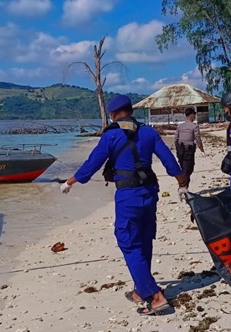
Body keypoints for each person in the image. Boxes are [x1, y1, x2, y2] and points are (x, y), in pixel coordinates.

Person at [60, 94, 188, 316]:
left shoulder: (111, 136)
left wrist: (70, 182)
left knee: (128, 241)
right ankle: (140, 290)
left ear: (112, 115)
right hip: (150, 192)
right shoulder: (148, 132)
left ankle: (155, 298)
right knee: (144, 239)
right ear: (131, 110)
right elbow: (169, 160)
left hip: (128, 195)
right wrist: (182, 183)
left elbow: (92, 164)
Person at [175, 107, 205, 189]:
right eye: (194, 115)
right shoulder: (194, 126)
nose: (194, 117)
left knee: (184, 169)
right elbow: (198, 139)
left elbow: (176, 140)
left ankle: (184, 187)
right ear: (192, 115)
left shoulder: (180, 126)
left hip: (180, 149)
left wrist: (177, 149)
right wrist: (202, 149)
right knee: (188, 170)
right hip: (189, 150)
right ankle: (183, 188)